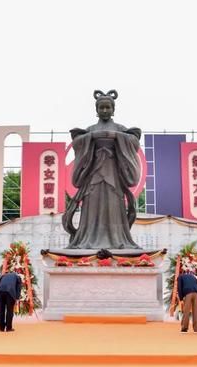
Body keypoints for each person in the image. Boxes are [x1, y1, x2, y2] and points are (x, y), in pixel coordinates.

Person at [62, 89, 142, 249]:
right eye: (101, 108)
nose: (105, 110)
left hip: (114, 175)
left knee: (114, 206)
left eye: (108, 108)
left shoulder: (120, 128)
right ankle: (87, 239)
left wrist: (118, 137)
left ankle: (117, 239)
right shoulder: (90, 129)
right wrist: (90, 138)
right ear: (96, 110)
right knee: (92, 205)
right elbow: (78, 142)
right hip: (93, 176)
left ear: (113, 109)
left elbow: (133, 140)